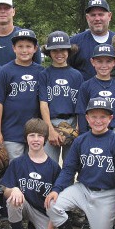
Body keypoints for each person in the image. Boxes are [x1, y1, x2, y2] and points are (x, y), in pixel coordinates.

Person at [45, 97, 115, 229]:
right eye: (94, 116)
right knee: (52, 204)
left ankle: (109, 227)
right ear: (86, 118)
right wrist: (56, 189)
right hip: (83, 189)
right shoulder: (81, 141)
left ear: (111, 118)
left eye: (103, 116)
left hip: (108, 193)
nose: (98, 121)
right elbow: (69, 169)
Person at [0, 118, 61, 229]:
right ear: (26, 138)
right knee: (13, 199)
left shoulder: (54, 167)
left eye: (40, 136)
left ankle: (34, 226)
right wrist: (13, 190)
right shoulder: (17, 163)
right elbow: (5, 190)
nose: (36, 139)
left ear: (45, 139)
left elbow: (58, 201)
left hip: (43, 212)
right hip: (24, 205)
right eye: (31, 135)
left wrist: (51, 227)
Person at [0, 29, 43, 161]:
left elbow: (45, 102)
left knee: (33, 167)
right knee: (13, 168)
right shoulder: (5, 71)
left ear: (35, 48)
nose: (24, 50)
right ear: (13, 48)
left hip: (35, 131)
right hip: (11, 131)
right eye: (20, 46)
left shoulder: (41, 72)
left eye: (28, 46)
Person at [39, 31, 83, 164]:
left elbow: (81, 105)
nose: (59, 54)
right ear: (49, 52)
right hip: (51, 122)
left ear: (69, 51)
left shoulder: (76, 75)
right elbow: (43, 104)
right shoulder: (45, 74)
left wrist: (79, 128)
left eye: (63, 50)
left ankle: (67, 186)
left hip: (72, 122)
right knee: (49, 165)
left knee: (70, 165)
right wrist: (50, 129)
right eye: (54, 50)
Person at [76, 43, 115, 137]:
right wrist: (83, 135)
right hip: (93, 131)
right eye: (99, 61)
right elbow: (81, 112)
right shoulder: (86, 86)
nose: (104, 65)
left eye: (108, 61)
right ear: (92, 62)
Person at [68, 0, 115, 80]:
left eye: (101, 14)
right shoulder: (74, 42)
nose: (97, 19)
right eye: (93, 15)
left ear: (109, 16)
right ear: (87, 17)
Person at [0, 0, 41, 66]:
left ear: (13, 11)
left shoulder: (27, 37)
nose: (3, 11)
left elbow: (37, 69)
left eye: (6, 8)